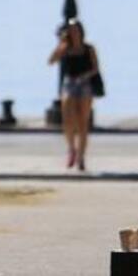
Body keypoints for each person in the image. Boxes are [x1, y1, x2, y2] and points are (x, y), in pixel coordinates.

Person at [48, 20, 100, 171]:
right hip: (69, 84)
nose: (74, 33)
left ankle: (81, 157)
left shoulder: (88, 48)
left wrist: (84, 76)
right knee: (68, 120)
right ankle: (71, 148)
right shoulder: (65, 47)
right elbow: (51, 61)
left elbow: (95, 67)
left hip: (84, 84)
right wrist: (61, 44)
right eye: (71, 31)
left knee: (83, 122)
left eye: (76, 30)